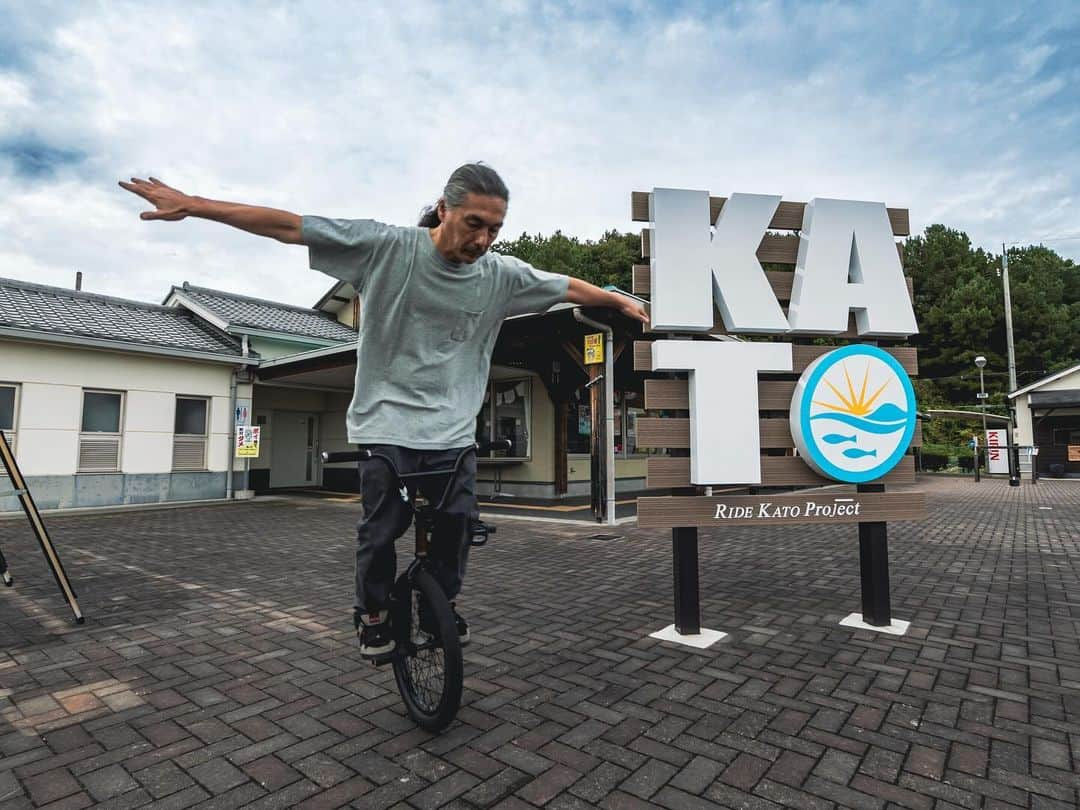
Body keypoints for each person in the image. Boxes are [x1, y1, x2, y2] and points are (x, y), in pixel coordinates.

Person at [120, 164, 649, 657]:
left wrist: (615, 298)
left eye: (494, 228)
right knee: (381, 531)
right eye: (473, 224)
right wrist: (194, 204)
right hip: (386, 424)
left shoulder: (500, 275)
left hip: (454, 432)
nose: (483, 240)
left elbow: (562, 285)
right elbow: (288, 226)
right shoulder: (387, 248)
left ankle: (440, 604)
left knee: (459, 526)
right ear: (444, 210)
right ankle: (372, 610)